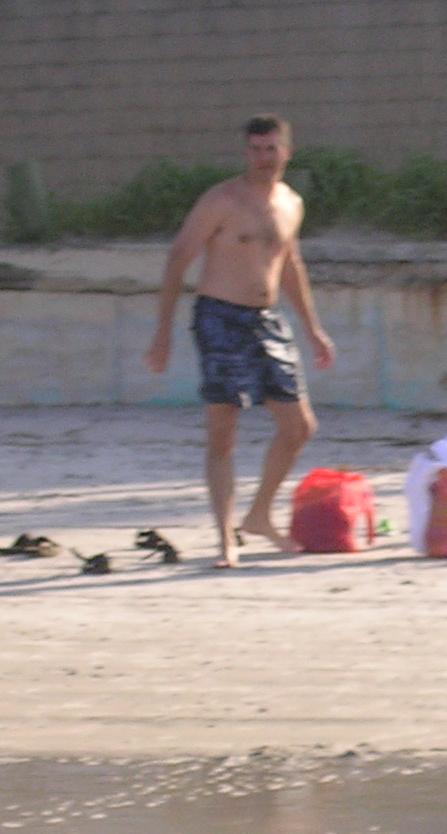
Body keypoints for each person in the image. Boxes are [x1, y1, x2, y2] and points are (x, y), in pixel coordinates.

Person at [144, 115, 337, 568]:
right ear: (244, 152)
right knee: (222, 431)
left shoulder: (291, 202)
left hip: (267, 320)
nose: (262, 158)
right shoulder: (222, 201)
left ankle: (259, 516)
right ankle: (225, 538)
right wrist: (162, 335)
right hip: (219, 317)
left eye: (270, 149)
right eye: (254, 149)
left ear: (286, 152)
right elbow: (177, 259)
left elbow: (290, 265)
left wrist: (312, 329)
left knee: (299, 427)